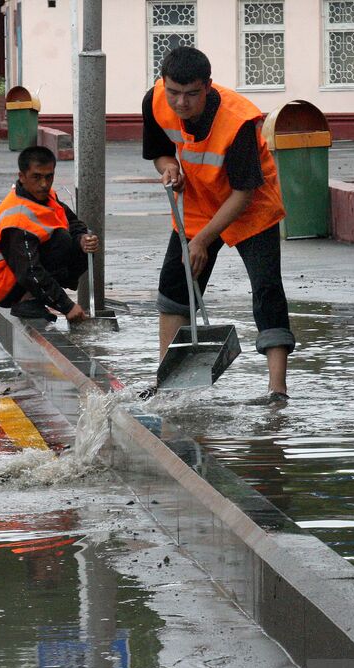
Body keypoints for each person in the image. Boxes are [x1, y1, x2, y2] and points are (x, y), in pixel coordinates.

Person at [143, 46, 295, 405]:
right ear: (163, 82)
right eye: (174, 93)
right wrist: (169, 168)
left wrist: (202, 241)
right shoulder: (155, 100)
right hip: (196, 201)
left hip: (251, 208)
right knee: (175, 287)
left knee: (267, 289)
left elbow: (242, 194)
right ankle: (167, 380)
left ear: (208, 86)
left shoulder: (238, 120)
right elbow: (161, 151)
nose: (181, 103)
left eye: (192, 94)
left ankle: (277, 390)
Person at [0, 146, 98, 324]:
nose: (44, 184)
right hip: (3, 285)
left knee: (79, 242)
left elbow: (72, 222)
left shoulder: (47, 196)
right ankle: (27, 301)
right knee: (61, 240)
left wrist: (82, 240)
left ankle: (37, 296)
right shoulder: (17, 218)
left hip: (19, 271)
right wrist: (66, 306)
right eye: (37, 177)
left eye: (49, 177)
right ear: (22, 177)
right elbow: (29, 271)